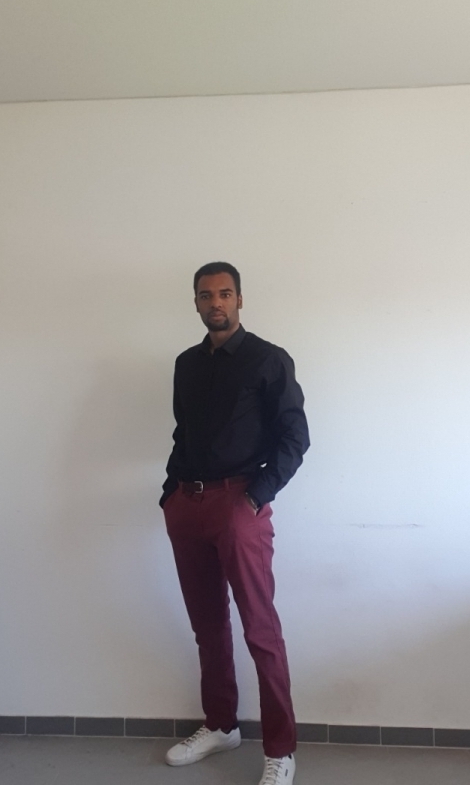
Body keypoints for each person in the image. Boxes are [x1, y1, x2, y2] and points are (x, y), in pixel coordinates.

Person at [160, 262, 310, 785]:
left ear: (240, 300)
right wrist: (170, 494)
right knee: (207, 625)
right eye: (206, 295)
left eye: (225, 294)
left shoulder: (268, 359)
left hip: (239, 503)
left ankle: (281, 749)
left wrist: (254, 498)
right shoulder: (185, 364)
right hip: (188, 503)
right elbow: (183, 433)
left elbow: (295, 437)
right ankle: (222, 725)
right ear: (196, 303)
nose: (216, 303)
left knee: (260, 629)